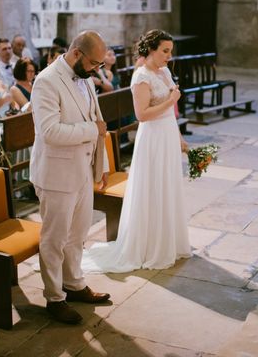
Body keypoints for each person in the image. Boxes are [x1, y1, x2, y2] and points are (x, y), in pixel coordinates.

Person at [82, 29, 191, 273]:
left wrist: (179, 138)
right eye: (165, 51)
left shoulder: (163, 72)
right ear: (150, 50)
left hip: (166, 135)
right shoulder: (141, 76)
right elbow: (142, 115)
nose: (168, 57)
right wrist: (171, 101)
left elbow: (169, 114)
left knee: (167, 188)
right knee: (153, 189)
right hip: (152, 139)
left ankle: (168, 243)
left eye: (170, 52)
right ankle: (150, 247)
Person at [30, 30, 111, 325]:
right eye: (94, 63)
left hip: (81, 170)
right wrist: (93, 132)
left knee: (77, 235)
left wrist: (100, 164)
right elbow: (49, 132)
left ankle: (74, 284)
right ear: (77, 53)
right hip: (56, 173)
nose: (96, 70)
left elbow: (95, 117)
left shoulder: (85, 77)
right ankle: (54, 297)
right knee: (54, 239)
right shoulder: (47, 81)